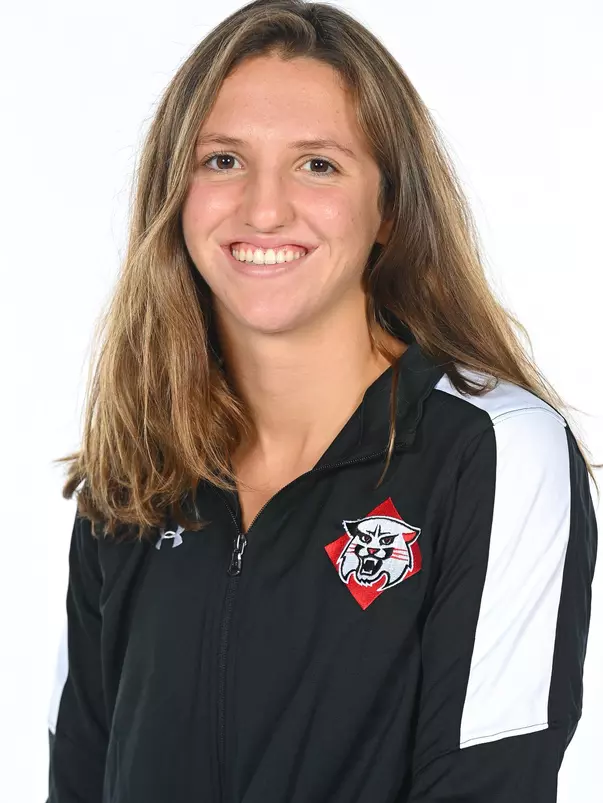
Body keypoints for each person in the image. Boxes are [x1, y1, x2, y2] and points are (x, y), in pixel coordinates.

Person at [46, 1, 599, 801]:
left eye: (318, 165)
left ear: (390, 209)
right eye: (222, 161)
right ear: (175, 192)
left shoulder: (493, 452)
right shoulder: (133, 472)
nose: (263, 210)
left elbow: (490, 782)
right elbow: (79, 774)